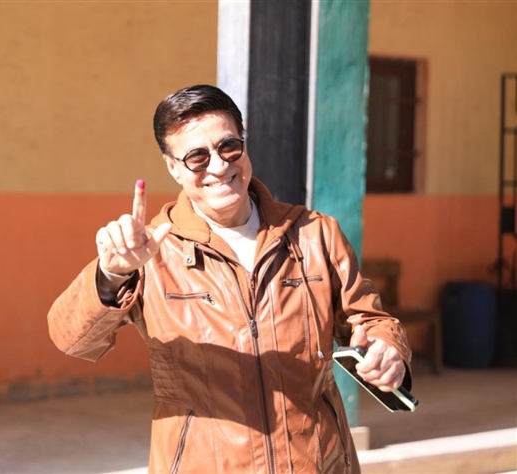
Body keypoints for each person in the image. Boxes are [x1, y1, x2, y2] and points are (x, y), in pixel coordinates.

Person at [48, 84, 412, 474]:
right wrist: (112, 273)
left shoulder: (314, 234)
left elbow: (370, 320)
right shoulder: (152, 252)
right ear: (172, 167)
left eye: (228, 147)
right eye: (197, 157)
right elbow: (72, 339)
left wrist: (388, 350)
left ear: (244, 143)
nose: (219, 167)